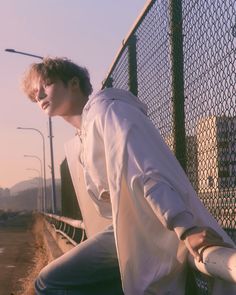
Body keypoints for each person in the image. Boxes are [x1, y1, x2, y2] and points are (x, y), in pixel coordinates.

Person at [21, 57, 235, 295]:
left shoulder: (108, 111)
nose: (39, 95)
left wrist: (186, 228)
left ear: (73, 83)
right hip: (132, 230)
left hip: (156, 226)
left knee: (50, 282)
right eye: (34, 93)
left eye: (46, 85)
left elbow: (145, 171)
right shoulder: (84, 135)